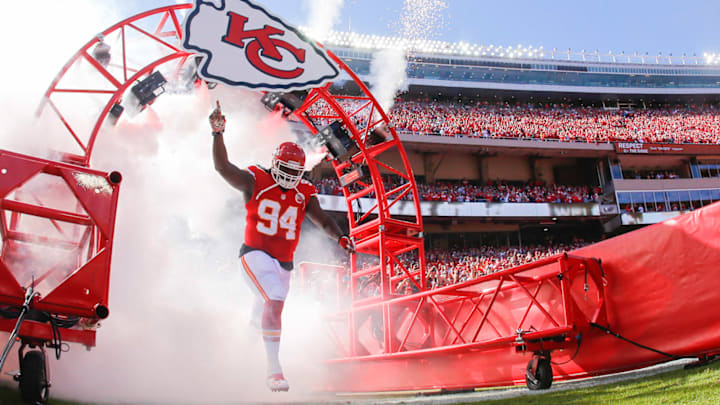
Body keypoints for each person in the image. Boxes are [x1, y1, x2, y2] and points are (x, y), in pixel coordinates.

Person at [209, 101, 354, 392]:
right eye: (284, 168)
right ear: (275, 164)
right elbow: (223, 167)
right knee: (274, 299)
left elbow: (323, 219)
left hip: (284, 264)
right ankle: (273, 370)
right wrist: (218, 133)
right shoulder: (256, 180)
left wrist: (339, 237)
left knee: (260, 314)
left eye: (294, 170)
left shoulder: (304, 192)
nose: (289, 175)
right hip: (254, 254)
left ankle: (238, 363)